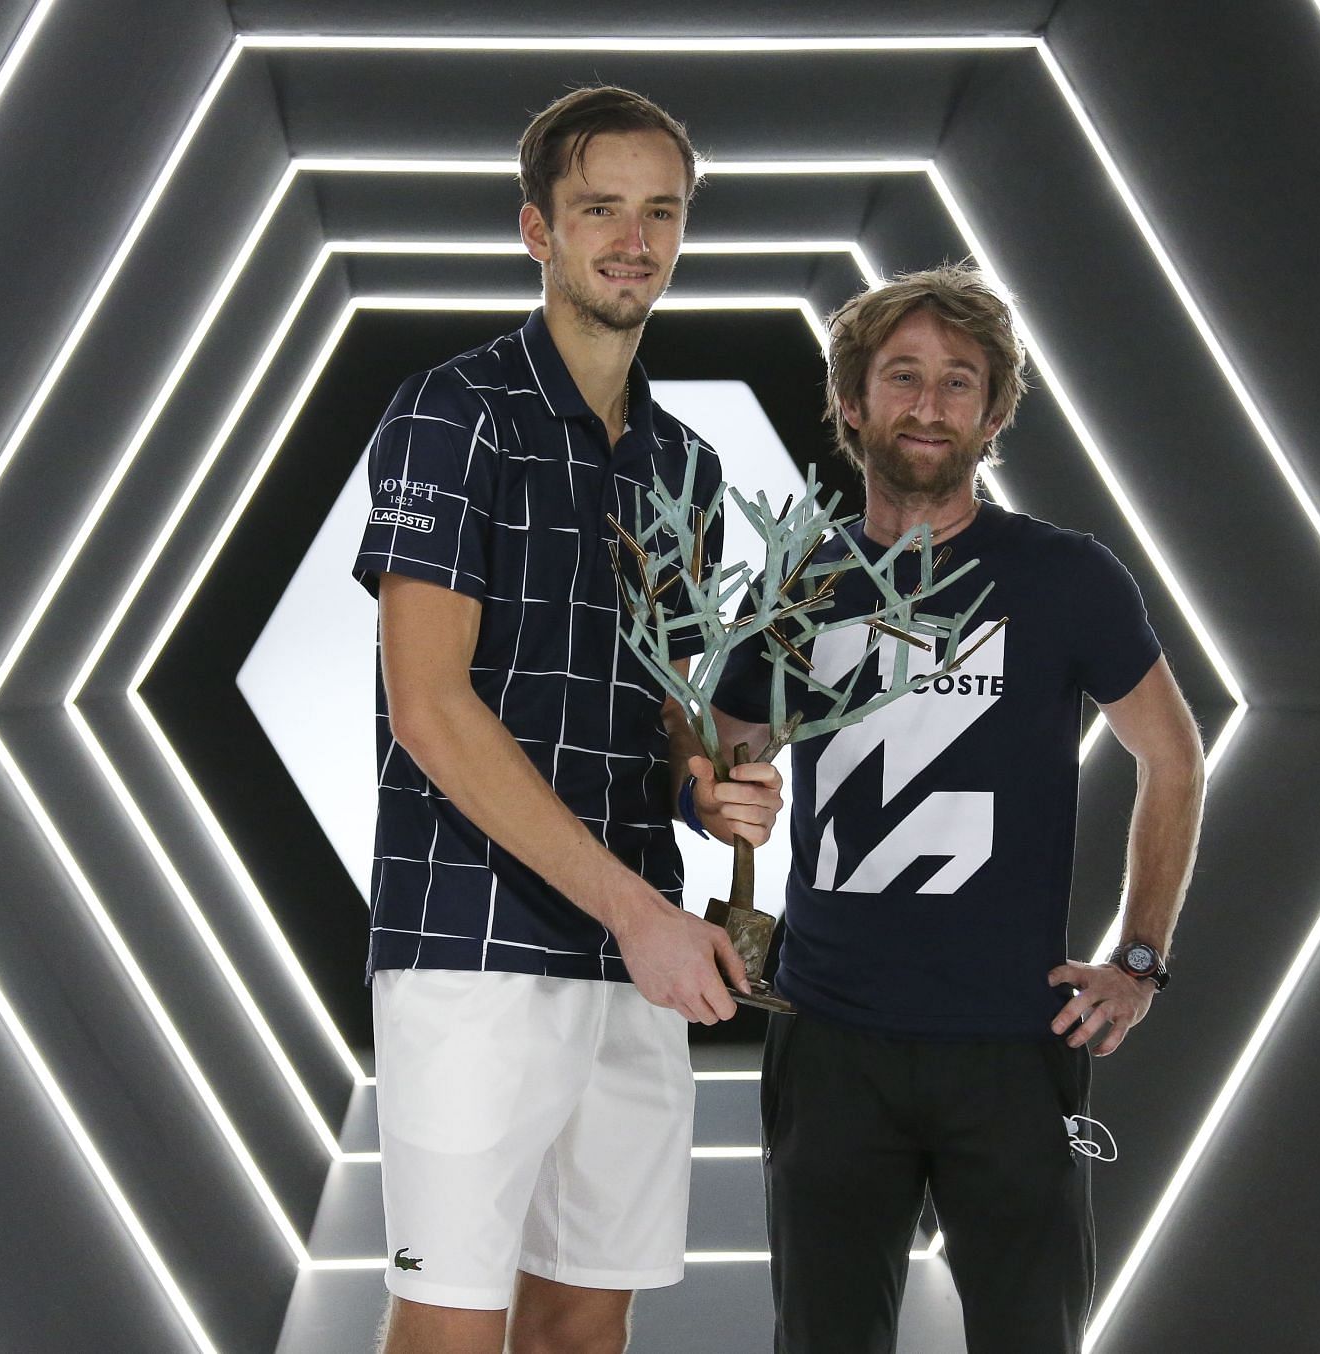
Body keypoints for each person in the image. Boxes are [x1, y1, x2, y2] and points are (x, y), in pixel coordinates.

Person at [351, 86, 783, 1354]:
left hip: (635, 954)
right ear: (537, 229)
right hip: (474, 942)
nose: (634, 239)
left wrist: (709, 782)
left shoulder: (684, 464)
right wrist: (642, 910)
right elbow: (429, 709)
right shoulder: (452, 413)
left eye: (662, 212)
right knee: (451, 1323)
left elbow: (670, 713)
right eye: (602, 208)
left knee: (588, 1325)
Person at [710, 263, 1206, 1354]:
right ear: (853, 401)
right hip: (831, 1036)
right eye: (902, 377)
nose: (929, 405)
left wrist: (1141, 956)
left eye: (958, 382)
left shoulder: (1065, 576)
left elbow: (1172, 758)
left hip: (1010, 1045)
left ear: (993, 412)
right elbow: (721, 753)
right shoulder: (801, 579)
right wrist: (716, 785)